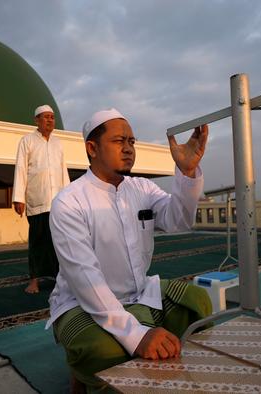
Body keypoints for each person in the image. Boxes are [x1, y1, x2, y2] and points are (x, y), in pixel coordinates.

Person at [46, 108, 211, 390]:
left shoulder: (142, 188)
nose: (128, 149)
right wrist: (137, 335)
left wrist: (186, 171)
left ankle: (169, 373)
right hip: (81, 302)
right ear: (92, 148)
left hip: (139, 292)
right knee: (106, 352)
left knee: (198, 303)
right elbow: (86, 278)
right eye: (119, 141)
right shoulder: (69, 202)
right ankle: (81, 374)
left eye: (132, 142)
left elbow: (178, 220)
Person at [12, 104, 70, 294]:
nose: (49, 120)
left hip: (58, 202)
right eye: (45, 117)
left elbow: (63, 171)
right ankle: (34, 281)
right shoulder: (27, 141)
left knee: (59, 242)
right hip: (37, 201)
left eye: (52, 117)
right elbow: (20, 169)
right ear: (36, 120)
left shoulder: (57, 143)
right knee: (37, 242)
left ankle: (60, 279)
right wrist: (18, 197)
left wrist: (70, 197)